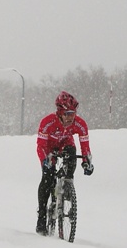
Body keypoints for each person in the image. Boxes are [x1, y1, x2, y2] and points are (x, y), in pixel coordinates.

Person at [36, 91, 94, 235]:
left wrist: (87, 161)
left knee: (71, 155)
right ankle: (42, 216)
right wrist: (45, 161)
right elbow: (40, 145)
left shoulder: (79, 124)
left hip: (65, 144)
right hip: (48, 147)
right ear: (60, 113)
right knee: (48, 177)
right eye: (67, 113)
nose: (70, 117)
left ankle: (66, 187)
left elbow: (84, 144)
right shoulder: (47, 122)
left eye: (73, 113)